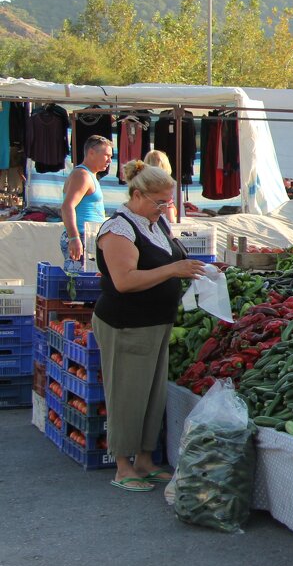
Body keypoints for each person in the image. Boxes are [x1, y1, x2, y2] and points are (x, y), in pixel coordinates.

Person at [93, 161, 207, 491]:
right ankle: (123, 466)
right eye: (159, 202)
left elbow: (170, 260)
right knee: (127, 393)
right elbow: (125, 281)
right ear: (138, 194)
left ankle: (145, 460)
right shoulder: (118, 228)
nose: (164, 208)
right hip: (125, 323)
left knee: (152, 395)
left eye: (167, 202)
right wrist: (173, 271)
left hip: (156, 322)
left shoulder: (155, 224)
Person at [60, 135, 113, 271]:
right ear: (91, 153)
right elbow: (67, 206)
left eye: (111, 156)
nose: (109, 160)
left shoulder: (91, 175)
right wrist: (74, 237)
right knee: (78, 282)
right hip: (81, 235)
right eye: (106, 155)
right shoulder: (82, 175)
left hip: (90, 235)